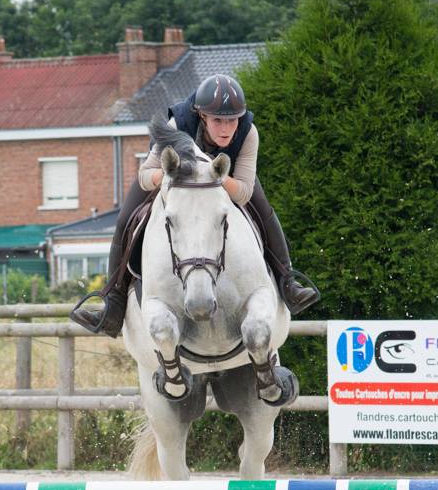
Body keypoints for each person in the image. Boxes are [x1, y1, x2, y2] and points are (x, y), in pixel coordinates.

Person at [70, 74, 319, 338]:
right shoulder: (178, 124)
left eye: (232, 120)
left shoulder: (248, 132)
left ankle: (288, 281)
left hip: (225, 176)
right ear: (202, 116)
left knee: (265, 211)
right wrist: (166, 177)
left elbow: (244, 192)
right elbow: (145, 176)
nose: (226, 129)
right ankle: (113, 302)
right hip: (177, 179)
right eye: (218, 121)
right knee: (126, 219)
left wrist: (216, 177)